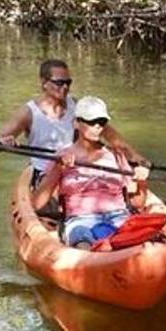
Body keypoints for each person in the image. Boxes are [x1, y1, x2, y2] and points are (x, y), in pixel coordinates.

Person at [0, 59, 146, 187]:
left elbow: (111, 136)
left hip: (78, 170)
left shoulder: (79, 107)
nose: (65, 87)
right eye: (59, 83)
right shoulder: (28, 113)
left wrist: (136, 157)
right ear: (44, 83)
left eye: (68, 82)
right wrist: (4, 141)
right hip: (45, 174)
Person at [31, 96, 151, 248]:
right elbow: (37, 203)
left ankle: (123, 251)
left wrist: (142, 182)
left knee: (135, 236)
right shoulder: (62, 157)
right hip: (80, 220)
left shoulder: (116, 155)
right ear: (76, 123)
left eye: (102, 122)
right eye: (91, 121)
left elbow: (137, 203)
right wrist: (58, 168)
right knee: (80, 235)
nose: (97, 127)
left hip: (118, 217)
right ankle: (90, 255)